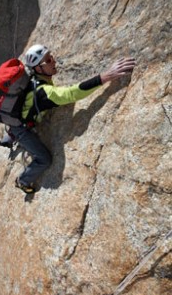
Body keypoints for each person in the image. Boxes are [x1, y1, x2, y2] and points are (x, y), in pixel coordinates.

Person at [9, 44, 136, 194]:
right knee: (44, 159)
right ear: (38, 69)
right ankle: (22, 181)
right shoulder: (44, 92)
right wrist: (106, 76)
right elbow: (72, 94)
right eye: (48, 60)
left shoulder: (34, 79)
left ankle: (10, 134)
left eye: (51, 56)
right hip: (21, 128)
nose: (54, 61)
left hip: (17, 116)